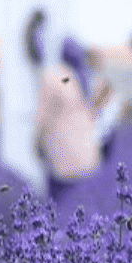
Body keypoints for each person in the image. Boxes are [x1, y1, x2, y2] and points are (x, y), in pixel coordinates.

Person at [32, 50, 101, 201]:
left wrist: (36, 142)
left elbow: (43, 116)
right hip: (85, 153)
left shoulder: (56, 76)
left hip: (63, 152)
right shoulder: (83, 77)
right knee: (82, 200)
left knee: (59, 200)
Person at [61, 37, 123, 163]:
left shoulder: (101, 80)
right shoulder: (77, 76)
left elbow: (99, 104)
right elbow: (63, 82)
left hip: (98, 129)